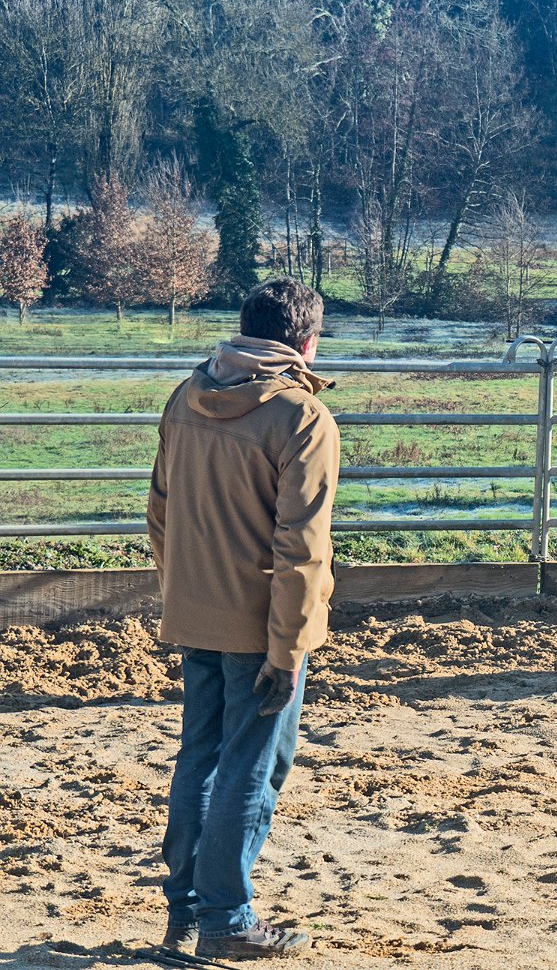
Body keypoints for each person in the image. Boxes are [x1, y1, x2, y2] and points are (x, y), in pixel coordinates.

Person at [148, 277, 340, 960]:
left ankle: (186, 913)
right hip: (261, 626)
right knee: (252, 767)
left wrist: (181, 592)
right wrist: (288, 648)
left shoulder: (186, 397)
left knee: (199, 758)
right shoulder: (301, 417)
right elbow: (302, 547)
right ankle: (226, 917)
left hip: (193, 612)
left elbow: (160, 509)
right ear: (307, 342)